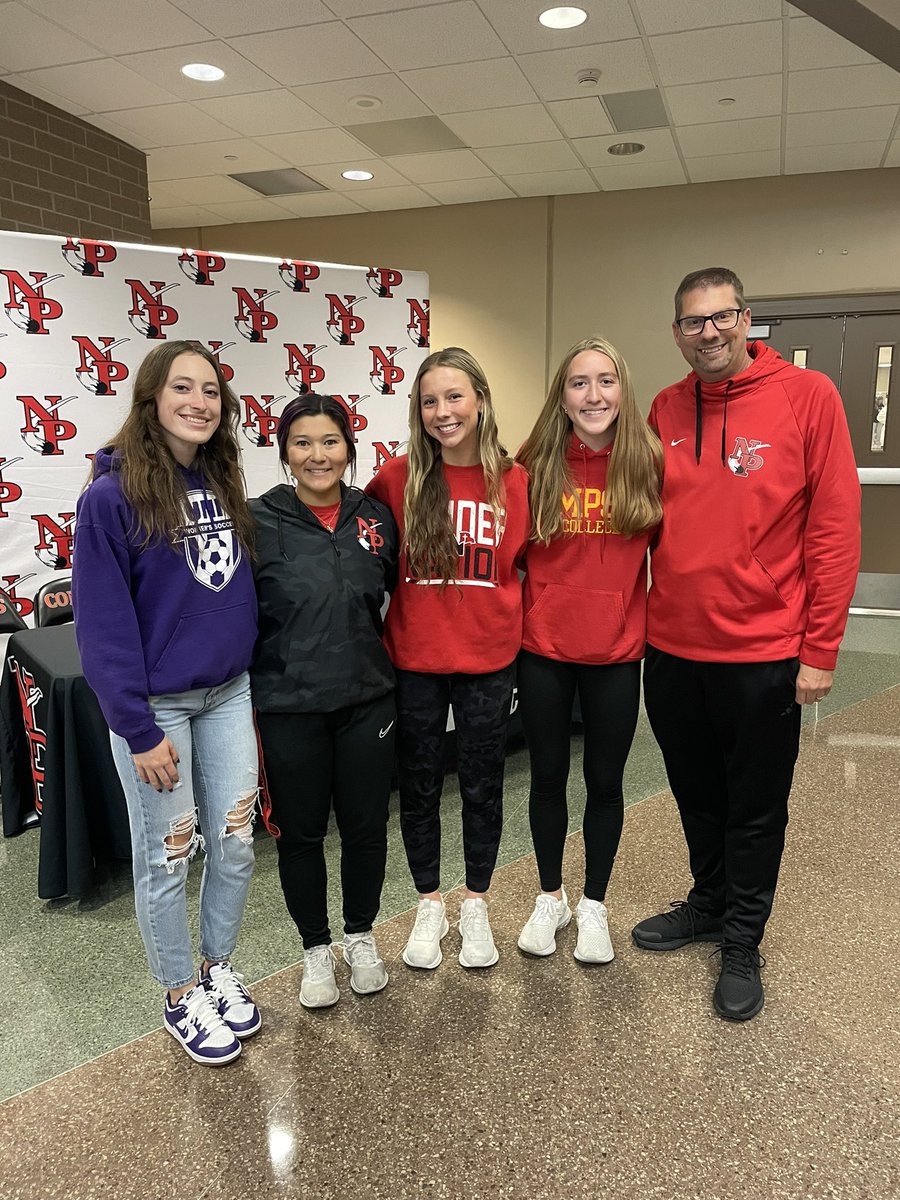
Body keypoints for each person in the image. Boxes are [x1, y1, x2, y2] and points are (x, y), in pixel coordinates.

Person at [632, 267, 861, 1021]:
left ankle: (742, 939)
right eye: (693, 322)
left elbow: (833, 529)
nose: (709, 332)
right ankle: (708, 902)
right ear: (677, 333)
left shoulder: (808, 396)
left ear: (745, 318)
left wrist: (820, 649)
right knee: (696, 794)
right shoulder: (665, 407)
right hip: (673, 650)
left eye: (721, 317)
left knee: (756, 807)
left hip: (764, 651)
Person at [72, 340, 261, 1066]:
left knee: (236, 842)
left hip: (228, 694)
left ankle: (217, 968)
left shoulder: (221, 477)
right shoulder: (109, 497)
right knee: (169, 855)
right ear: (151, 398)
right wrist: (137, 727)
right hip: (160, 712)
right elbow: (103, 625)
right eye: (182, 388)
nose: (199, 403)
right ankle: (179, 993)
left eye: (210, 391)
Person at [367, 347, 530, 971]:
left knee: (484, 785)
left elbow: (531, 566)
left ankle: (477, 903)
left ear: (480, 401)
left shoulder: (515, 482)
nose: (443, 411)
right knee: (419, 786)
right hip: (415, 660)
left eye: (454, 396)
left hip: (489, 659)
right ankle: (429, 902)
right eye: (429, 401)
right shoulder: (396, 479)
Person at [515, 337, 662, 964]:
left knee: (605, 781)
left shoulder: (648, 461)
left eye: (606, 381)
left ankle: (594, 903)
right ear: (563, 396)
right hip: (544, 649)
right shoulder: (533, 464)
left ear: (622, 390)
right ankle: (551, 896)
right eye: (579, 383)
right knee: (547, 777)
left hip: (618, 653)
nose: (593, 395)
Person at [251, 394, 399, 1010]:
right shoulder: (257, 520)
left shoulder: (376, 516)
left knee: (366, 828)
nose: (318, 455)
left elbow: (394, 594)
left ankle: (360, 936)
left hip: (368, 699)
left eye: (330, 441)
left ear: (349, 447)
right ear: (285, 451)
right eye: (303, 442)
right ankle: (315, 948)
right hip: (289, 706)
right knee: (301, 835)